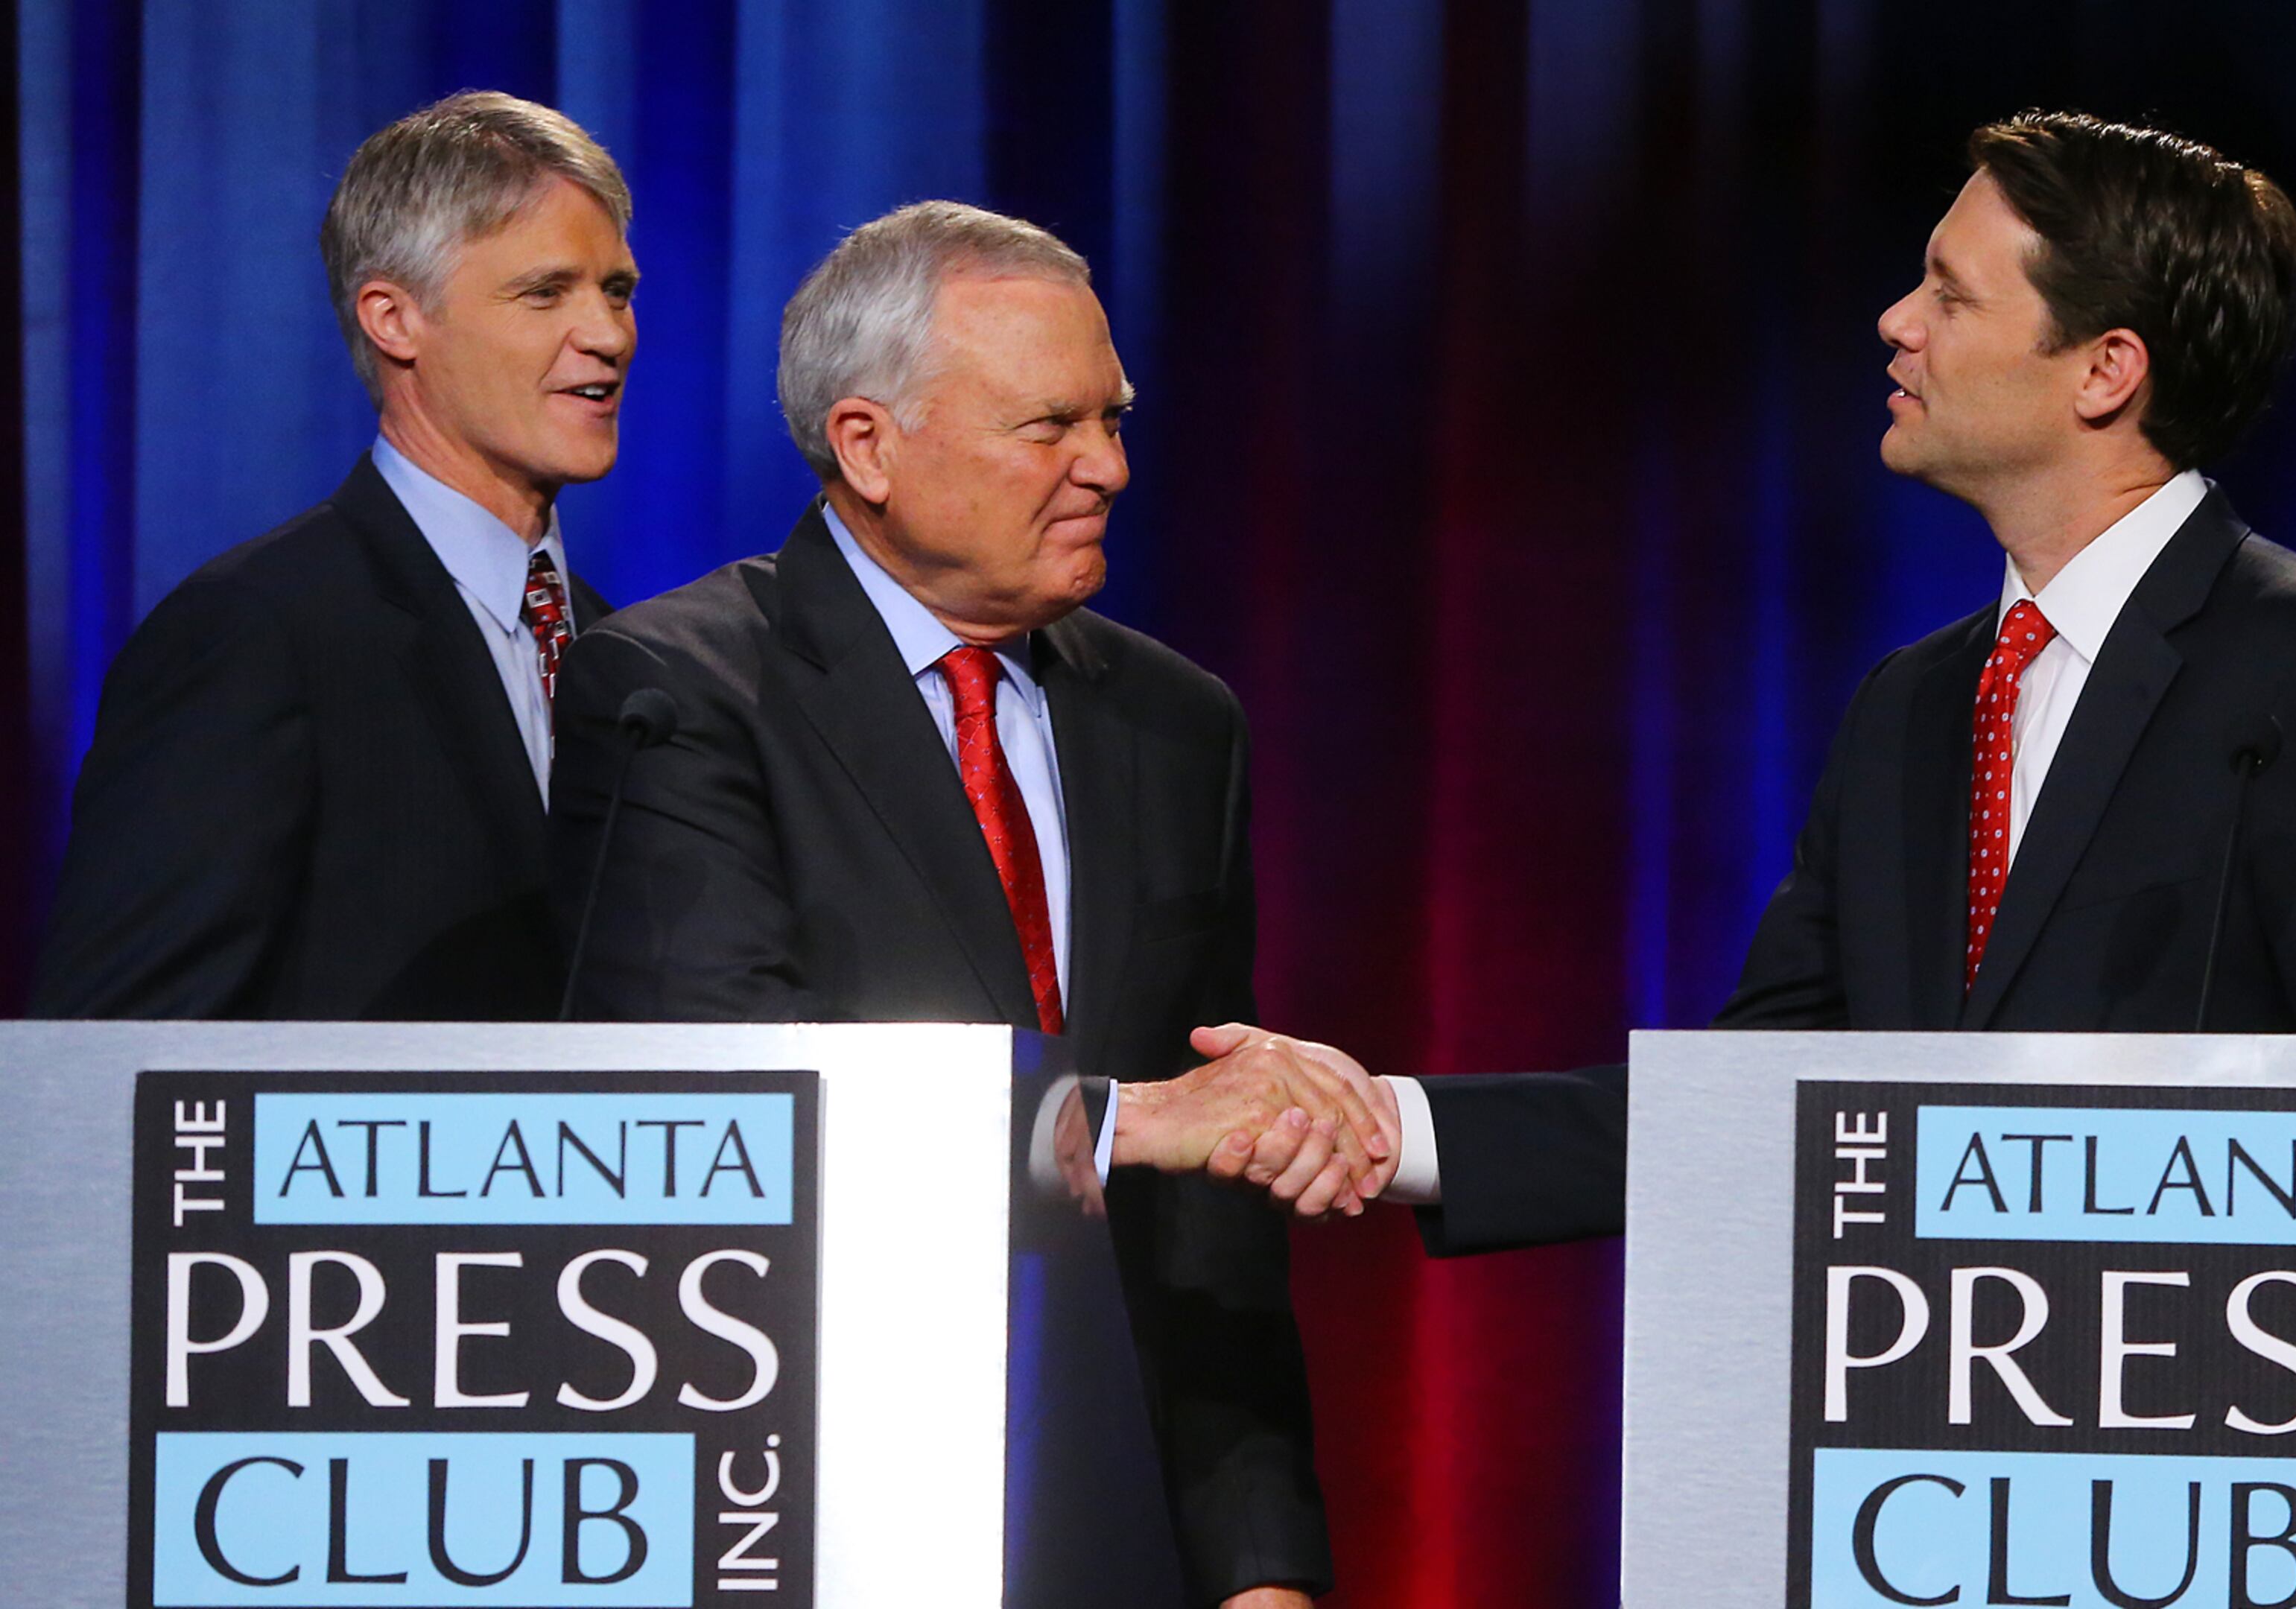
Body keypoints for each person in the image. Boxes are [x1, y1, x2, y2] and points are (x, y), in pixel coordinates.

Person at [1144, 110, 2296, 1256]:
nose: (1895, 322)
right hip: (1933, 1487)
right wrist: (1387, 1125)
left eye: (1949, 292)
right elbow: (1767, 1110)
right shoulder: (1915, 710)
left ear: (2106, 371)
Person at [547, 201, 1374, 1608]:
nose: (1107, 467)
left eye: (1112, 418)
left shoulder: (1178, 723)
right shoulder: (676, 692)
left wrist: (1261, 1565)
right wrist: (1128, 1122)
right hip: (798, 1504)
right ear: (868, 445)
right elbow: (736, 1116)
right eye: (1046, 427)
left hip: (1102, 1520)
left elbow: (1214, 1222)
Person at [29, 92, 632, 1019]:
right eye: (546, 292)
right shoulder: (256, 635)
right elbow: (119, 1052)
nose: (608, 334)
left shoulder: (610, 645)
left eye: (617, 290)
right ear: (395, 319)